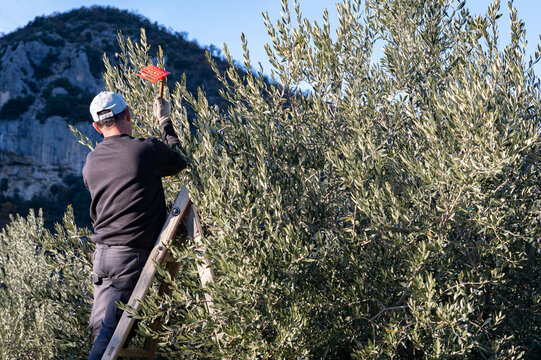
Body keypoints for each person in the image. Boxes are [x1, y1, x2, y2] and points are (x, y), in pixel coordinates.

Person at [83, 91, 187, 359]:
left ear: (96, 127)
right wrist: (164, 120)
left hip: (102, 257)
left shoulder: (91, 162)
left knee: (102, 334)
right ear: (128, 114)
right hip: (129, 258)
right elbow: (180, 158)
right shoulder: (144, 150)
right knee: (111, 341)